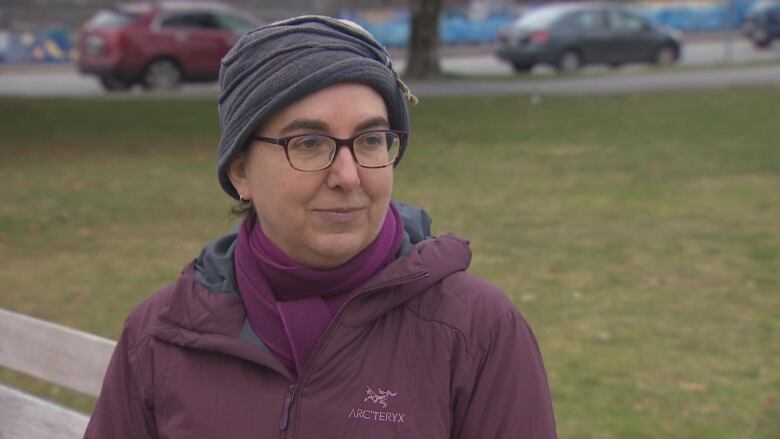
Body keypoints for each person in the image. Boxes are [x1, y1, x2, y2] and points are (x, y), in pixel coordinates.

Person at [85, 15, 557, 438]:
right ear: (240, 171)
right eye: (309, 143)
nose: (348, 177)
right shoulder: (160, 335)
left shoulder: (476, 331)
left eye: (371, 140)